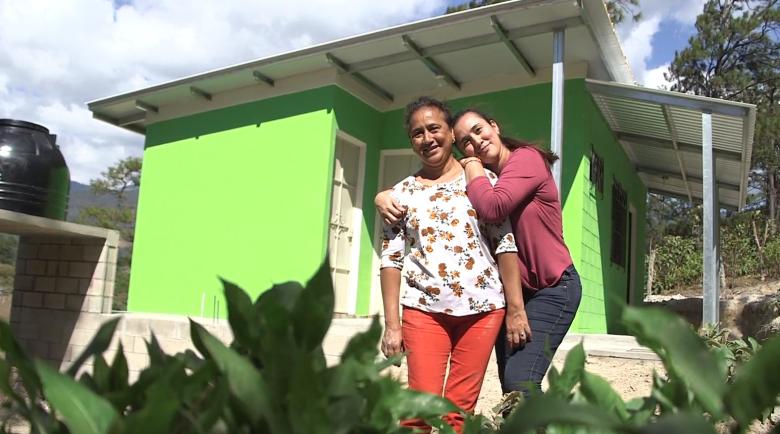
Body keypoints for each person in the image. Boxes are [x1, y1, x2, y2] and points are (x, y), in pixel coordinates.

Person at [377, 107, 582, 398]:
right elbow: (392, 254)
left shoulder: (516, 164)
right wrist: (382, 195)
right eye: (467, 142)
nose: (475, 142)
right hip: (500, 294)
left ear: (494, 126)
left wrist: (471, 164)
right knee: (507, 384)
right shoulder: (474, 180)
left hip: (549, 287)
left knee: (518, 381)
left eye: (478, 130)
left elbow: (496, 219)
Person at [379, 97, 528, 432]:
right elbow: (390, 259)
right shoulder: (400, 194)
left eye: (434, 129)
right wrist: (392, 325)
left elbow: (505, 244)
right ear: (411, 141)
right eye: (417, 133)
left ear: (450, 133)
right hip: (423, 311)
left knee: (458, 411)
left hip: (483, 310)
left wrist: (516, 308)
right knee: (419, 408)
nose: (427, 138)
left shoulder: (481, 181)